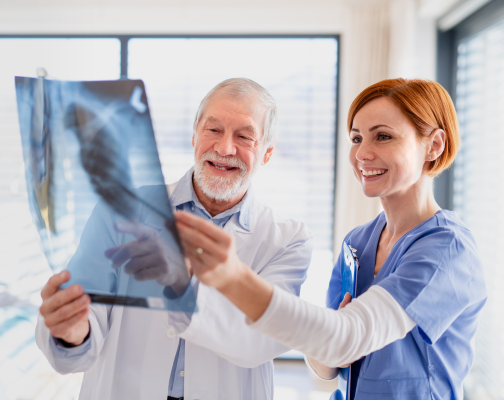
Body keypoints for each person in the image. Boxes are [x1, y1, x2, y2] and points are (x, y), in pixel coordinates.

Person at [175, 78, 487, 400]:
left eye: (383, 136)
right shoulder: (359, 242)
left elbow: (345, 337)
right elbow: (325, 364)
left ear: (434, 145)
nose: (363, 153)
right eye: (356, 138)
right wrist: (328, 345)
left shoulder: (447, 249)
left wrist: (233, 278)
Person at [35, 78, 313, 400]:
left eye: (245, 136)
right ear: (194, 135)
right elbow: (87, 308)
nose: (224, 148)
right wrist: (72, 332)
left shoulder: (288, 240)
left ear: (266, 153)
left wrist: (183, 283)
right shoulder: (121, 211)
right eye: (213, 130)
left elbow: (262, 339)